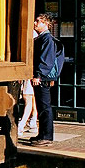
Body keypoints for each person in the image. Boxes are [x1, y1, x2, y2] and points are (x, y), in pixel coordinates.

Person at [28, 13, 58, 146]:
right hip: (42, 77)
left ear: (46, 24)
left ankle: (46, 137)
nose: (35, 23)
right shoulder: (43, 38)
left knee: (45, 107)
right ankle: (42, 134)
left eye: (38, 21)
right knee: (41, 106)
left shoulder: (47, 39)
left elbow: (46, 60)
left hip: (42, 78)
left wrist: (38, 76)